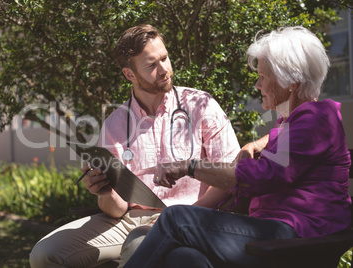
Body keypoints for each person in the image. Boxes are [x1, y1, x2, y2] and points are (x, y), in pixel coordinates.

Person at [124, 26, 352, 268]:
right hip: (278, 233)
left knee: (176, 219)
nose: (257, 85)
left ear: (291, 82)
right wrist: (258, 143)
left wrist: (189, 166)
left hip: (298, 239)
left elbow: (263, 177)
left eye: (263, 76)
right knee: (184, 259)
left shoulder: (315, 119)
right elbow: (294, 151)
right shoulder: (295, 121)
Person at [29, 24, 240, 267]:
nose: (164, 70)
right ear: (129, 74)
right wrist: (104, 191)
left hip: (192, 216)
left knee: (139, 248)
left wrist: (177, 217)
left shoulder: (201, 106)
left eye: (165, 58)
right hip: (130, 220)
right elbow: (116, 209)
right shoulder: (115, 124)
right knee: (44, 254)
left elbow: (229, 177)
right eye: (152, 65)